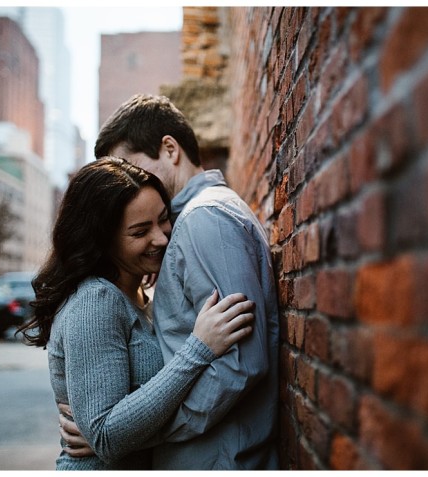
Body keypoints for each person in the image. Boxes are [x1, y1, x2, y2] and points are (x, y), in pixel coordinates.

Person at [65, 94, 281, 469]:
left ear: (169, 148)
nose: (127, 184)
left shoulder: (204, 220)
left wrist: (127, 437)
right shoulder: (184, 228)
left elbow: (239, 366)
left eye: (130, 166)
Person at [20, 158, 256, 470]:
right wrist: (199, 348)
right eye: (140, 231)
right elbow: (105, 435)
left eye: (163, 219)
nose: (161, 238)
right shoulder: (96, 300)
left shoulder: (139, 292)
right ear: (102, 240)